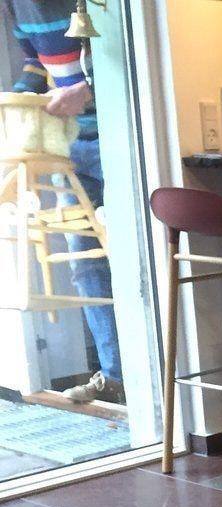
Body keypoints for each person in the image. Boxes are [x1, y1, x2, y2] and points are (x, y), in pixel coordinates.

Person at [6, 0, 124, 404]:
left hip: (119, 135)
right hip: (70, 146)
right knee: (84, 262)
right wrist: (19, 98)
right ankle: (115, 375)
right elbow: (37, 64)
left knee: (133, 253)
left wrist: (86, 90)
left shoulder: (91, 4)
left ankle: (153, 375)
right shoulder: (16, 5)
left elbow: (127, 60)